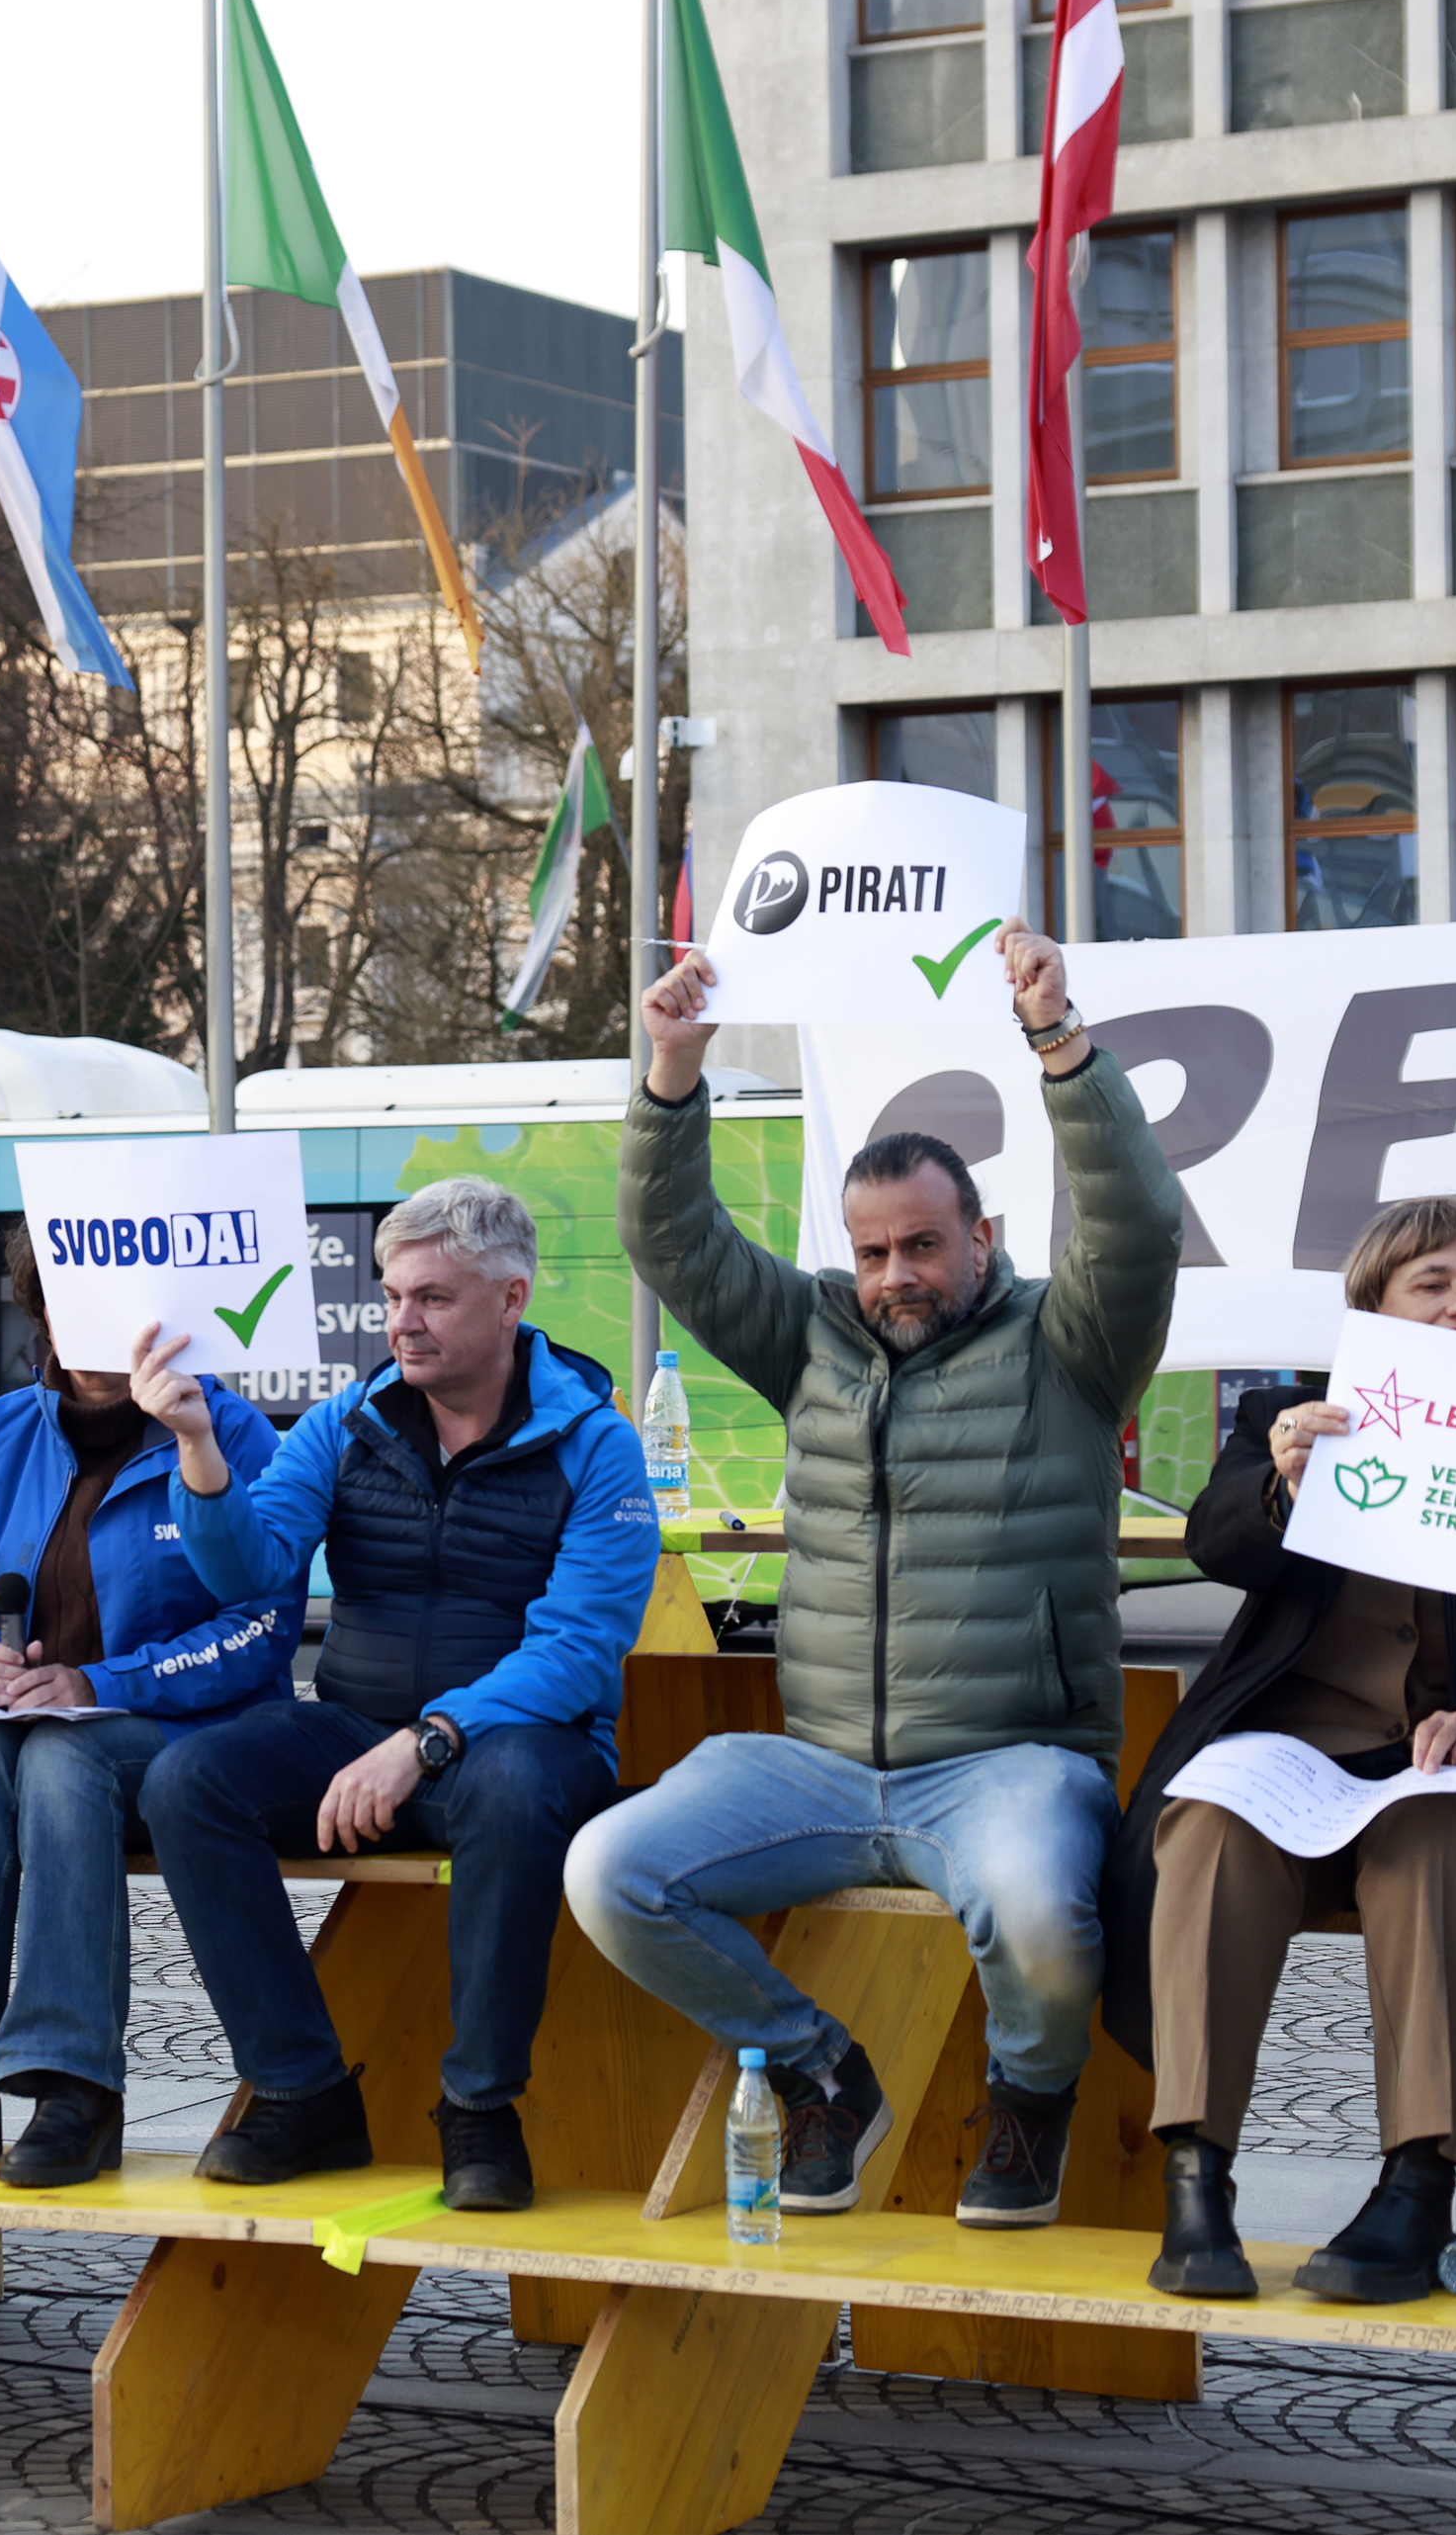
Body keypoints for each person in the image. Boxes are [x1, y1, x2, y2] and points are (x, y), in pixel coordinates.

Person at [571, 924, 1179, 2230]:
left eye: (921, 1245)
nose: (894, 1275)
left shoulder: (1070, 1347)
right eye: (871, 1250)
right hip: (822, 1761)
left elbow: (1134, 1225)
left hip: (1012, 1760)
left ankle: (1029, 2099)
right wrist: (672, 1065)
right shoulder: (814, 1339)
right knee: (611, 1869)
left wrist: (1058, 1044)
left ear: (982, 1235)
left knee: (1039, 1914)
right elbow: (671, 1240)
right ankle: (817, 2070)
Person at [1105, 1197, 1456, 2302]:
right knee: (1207, 1828)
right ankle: (1196, 2176)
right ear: (1374, 1305)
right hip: (1292, 1748)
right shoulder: (1296, 1415)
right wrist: (1281, 1478)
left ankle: (1415, 2184)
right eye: (1433, 1282)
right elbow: (1219, 1539)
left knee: (1437, 1836)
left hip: (1443, 1768)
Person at [129, 1176, 651, 2214]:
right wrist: (198, 1452)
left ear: (511, 1298)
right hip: (356, 1724)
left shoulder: (599, 1442)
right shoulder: (343, 1423)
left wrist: (431, 1736)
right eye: (390, 1294)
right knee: (186, 1780)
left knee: (509, 1793)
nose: (401, 1321)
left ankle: (479, 2108)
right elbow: (251, 1566)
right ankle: (300, 2088)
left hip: (524, 1741)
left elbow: (581, 1650)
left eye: (432, 1298)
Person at [0, 1231, 299, 2189]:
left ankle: (73, 2084)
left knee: (63, 1760)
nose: (94, 1333)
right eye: (68, 1305)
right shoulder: (0, 1433)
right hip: (10, 1725)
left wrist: (103, 1683)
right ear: (41, 1313)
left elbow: (261, 1626)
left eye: (119, 1309)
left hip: (184, 1739)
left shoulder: (231, 1434)